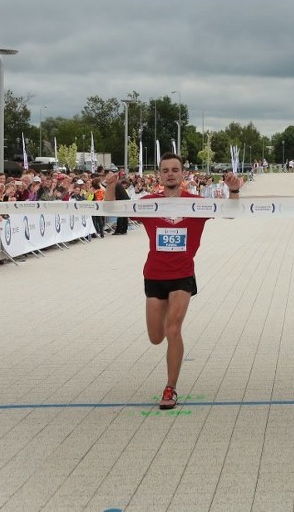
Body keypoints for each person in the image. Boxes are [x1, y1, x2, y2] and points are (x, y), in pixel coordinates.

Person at [104, 153, 244, 410]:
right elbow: (112, 211)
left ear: (182, 174)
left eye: (175, 169)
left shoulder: (196, 203)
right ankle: (166, 326)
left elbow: (231, 214)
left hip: (182, 275)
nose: (170, 173)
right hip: (154, 275)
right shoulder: (148, 203)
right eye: (165, 170)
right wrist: (111, 187)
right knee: (156, 337)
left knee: (173, 330)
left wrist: (233, 191)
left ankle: (170, 388)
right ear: (159, 175)